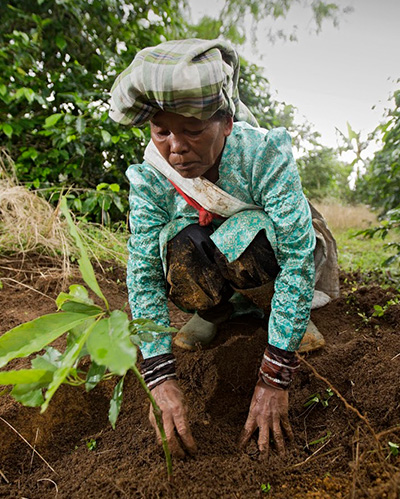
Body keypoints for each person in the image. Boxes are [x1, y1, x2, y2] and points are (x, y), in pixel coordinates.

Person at [109, 39, 339, 458]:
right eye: (162, 132)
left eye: (193, 131)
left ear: (227, 123)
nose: (176, 148)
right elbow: (142, 272)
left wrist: (275, 377)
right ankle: (214, 311)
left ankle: (276, 311)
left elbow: (295, 257)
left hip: (259, 255)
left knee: (244, 238)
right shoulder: (152, 174)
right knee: (176, 245)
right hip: (208, 258)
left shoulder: (263, 154)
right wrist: (159, 377)